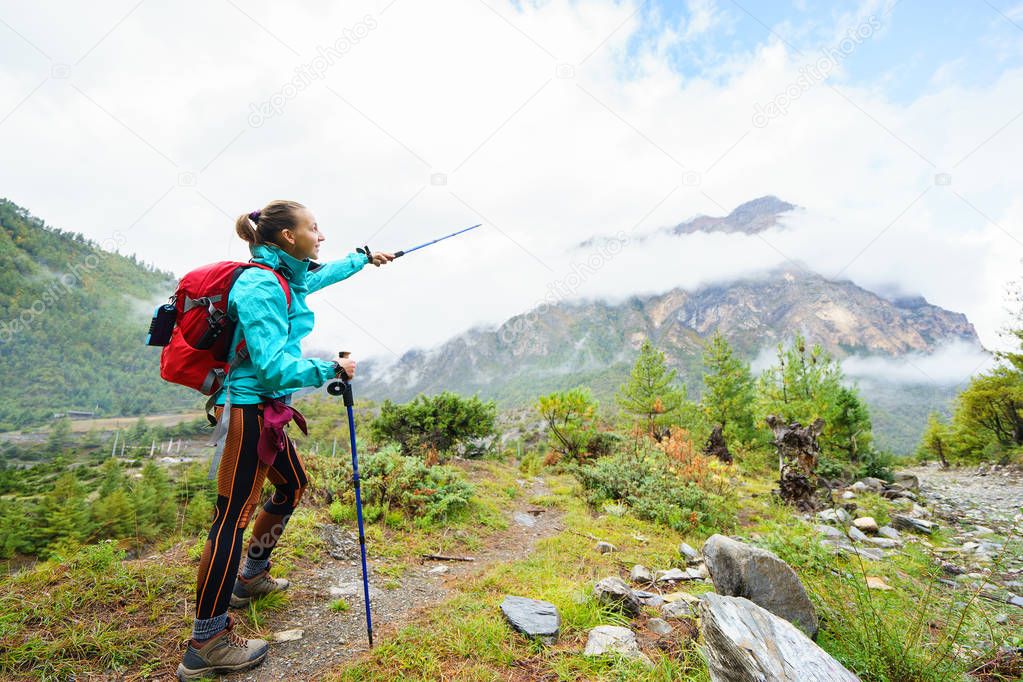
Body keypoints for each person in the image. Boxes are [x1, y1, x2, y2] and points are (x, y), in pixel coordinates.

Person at [176, 200, 394, 681]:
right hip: (249, 412)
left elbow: (316, 278)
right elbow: (273, 366)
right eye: (314, 228)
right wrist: (330, 368)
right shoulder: (259, 286)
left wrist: (364, 258)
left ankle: (250, 577)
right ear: (287, 238)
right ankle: (206, 642)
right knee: (230, 519)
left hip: (267, 411)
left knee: (292, 485)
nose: (321, 235)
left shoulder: (284, 278)